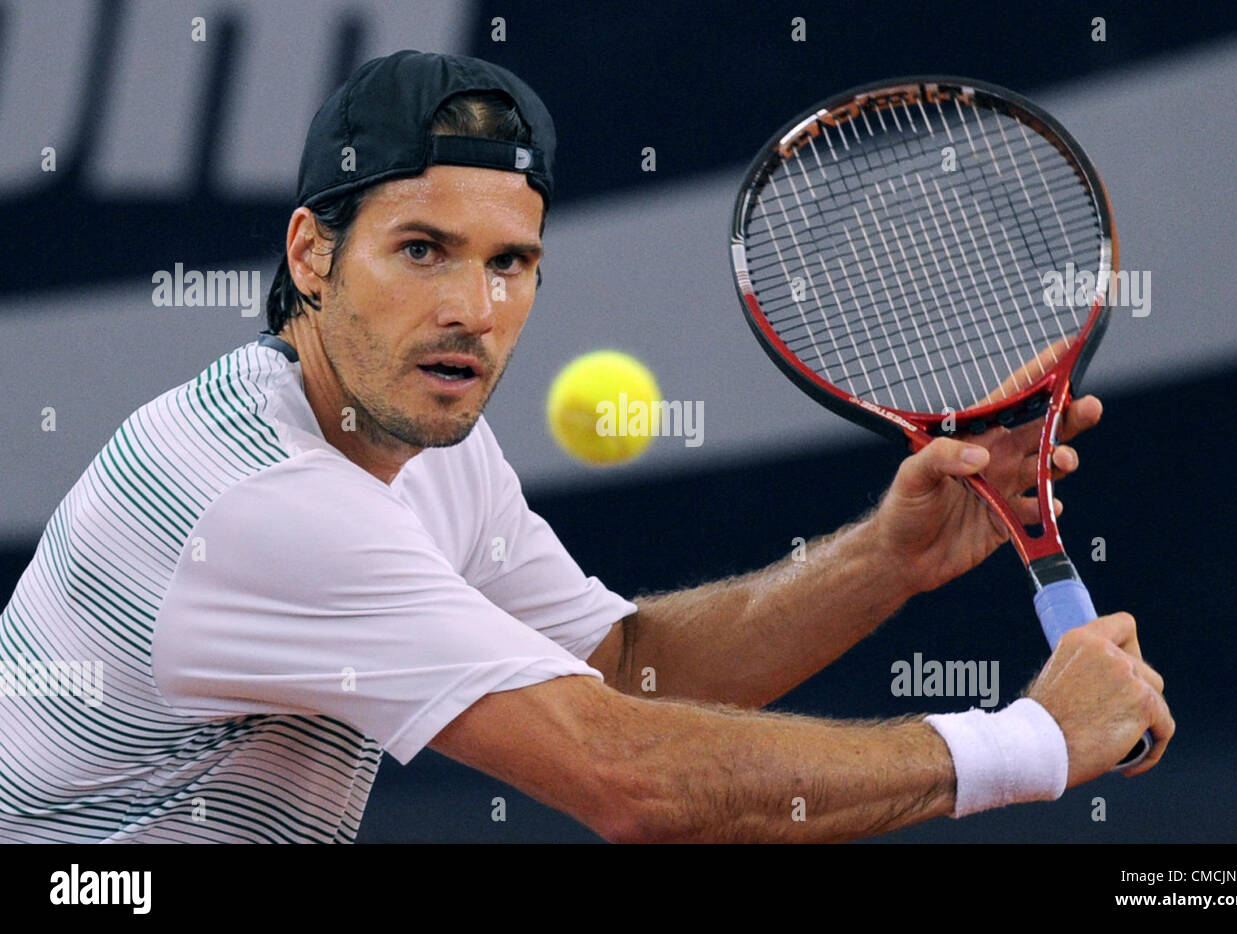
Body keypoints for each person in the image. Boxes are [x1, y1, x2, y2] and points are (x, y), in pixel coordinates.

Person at [0, 50, 1171, 843]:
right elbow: (630, 777)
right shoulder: (265, 507)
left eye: (508, 262)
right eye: (422, 250)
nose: (473, 306)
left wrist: (887, 557)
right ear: (310, 254)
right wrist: (1030, 741)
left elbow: (624, 668)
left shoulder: (420, 435)